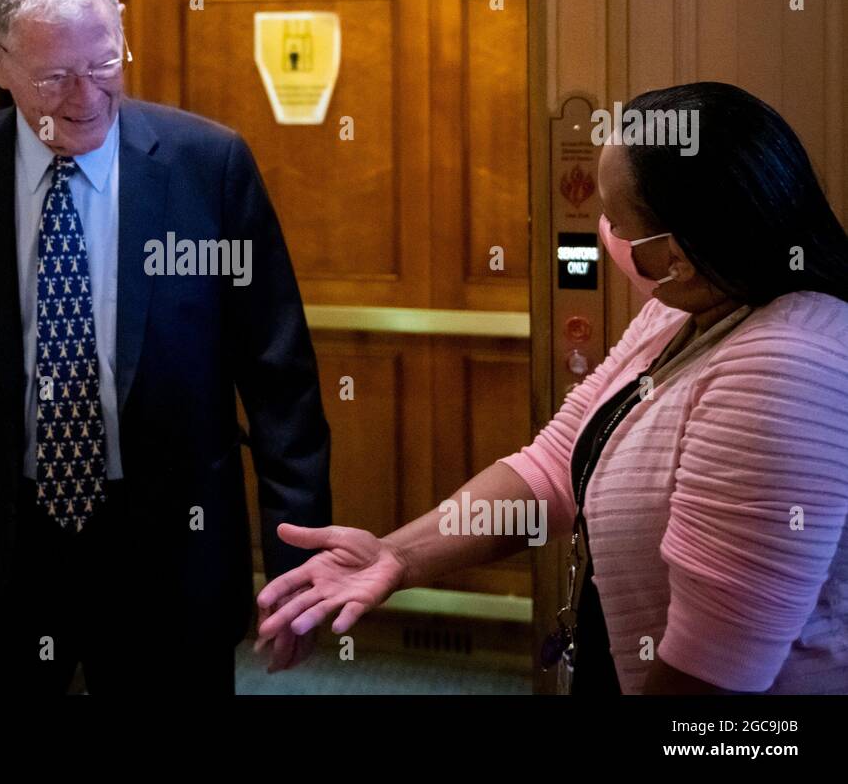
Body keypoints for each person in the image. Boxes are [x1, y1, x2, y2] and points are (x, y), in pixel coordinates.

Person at [257, 81, 848, 694]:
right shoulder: (682, 311)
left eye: (617, 220)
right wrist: (397, 555)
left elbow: (709, 683)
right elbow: (553, 468)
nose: (601, 231)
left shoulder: (786, 367)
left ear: (675, 255)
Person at [0, 0, 331, 694]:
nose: (85, 98)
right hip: (4, 553)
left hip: (168, 552)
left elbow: (282, 383)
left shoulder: (210, 167)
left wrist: (300, 567)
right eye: (53, 77)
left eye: (105, 64)